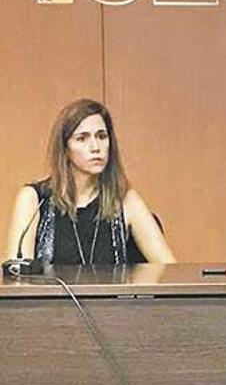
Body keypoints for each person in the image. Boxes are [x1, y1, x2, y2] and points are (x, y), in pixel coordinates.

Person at [5, 99, 176, 264]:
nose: (95, 147)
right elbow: (17, 278)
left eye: (101, 136)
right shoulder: (34, 199)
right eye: (82, 138)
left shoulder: (124, 200)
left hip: (109, 295)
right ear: (65, 149)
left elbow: (169, 271)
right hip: (52, 295)